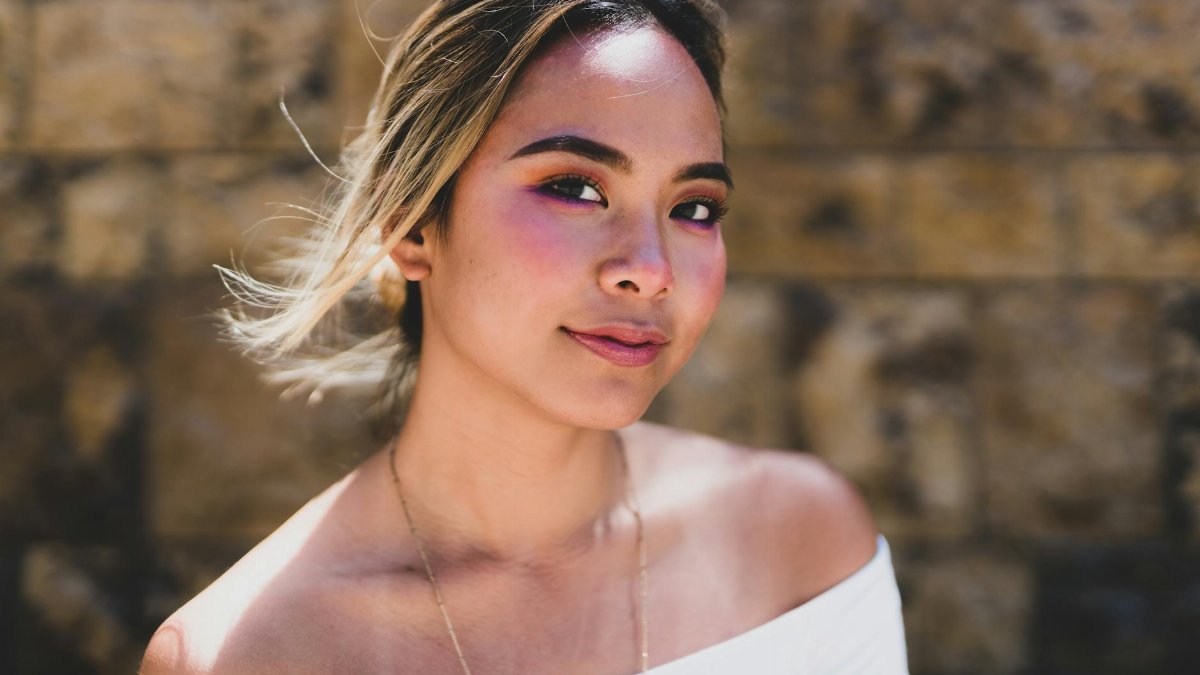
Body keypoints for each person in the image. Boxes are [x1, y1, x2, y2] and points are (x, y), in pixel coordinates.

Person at [140, 0, 909, 672]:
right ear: (410, 223)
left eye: (695, 207)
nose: (649, 269)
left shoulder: (799, 541)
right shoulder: (249, 654)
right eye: (576, 188)